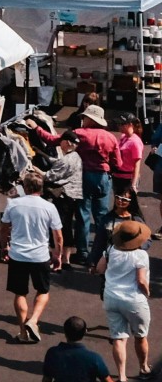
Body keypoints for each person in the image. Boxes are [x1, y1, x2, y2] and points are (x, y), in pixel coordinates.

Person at [3, 172, 64, 344]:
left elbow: (4, 229)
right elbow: (58, 236)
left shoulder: (13, 205)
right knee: (43, 291)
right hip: (40, 256)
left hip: (18, 255)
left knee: (20, 293)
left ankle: (23, 331)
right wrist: (57, 254)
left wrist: (3, 247)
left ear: (26, 187)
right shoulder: (49, 207)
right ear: (41, 188)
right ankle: (34, 319)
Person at [96, 220, 153, 382]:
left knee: (118, 338)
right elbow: (141, 280)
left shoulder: (111, 249)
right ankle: (143, 368)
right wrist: (147, 292)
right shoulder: (141, 255)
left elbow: (100, 269)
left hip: (112, 297)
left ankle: (121, 377)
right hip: (134, 300)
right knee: (140, 336)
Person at [72, 105, 122, 265]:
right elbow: (118, 163)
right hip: (103, 177)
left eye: (84, 117)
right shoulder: (111, 137)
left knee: (82, 215)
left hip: (84, 176)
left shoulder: (78, 134)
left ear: (90, 119)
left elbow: (54, 141)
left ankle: (83, 253)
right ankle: (101, 253)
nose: (82, 120)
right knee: (102, 216)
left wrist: (37, 128)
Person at [43, 316, 118, 382]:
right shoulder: (94, 358)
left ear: (65, 332)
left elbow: (46, 381)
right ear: (84, 332)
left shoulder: (52, 353)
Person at [48, 134, 86, 258]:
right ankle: (66, 259)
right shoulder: (76, 156)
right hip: (73, 196)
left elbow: (49, 176)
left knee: (59, 225)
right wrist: (44, 155)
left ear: (68, 142)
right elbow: (59, 163)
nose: (60, 143)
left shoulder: (66, 160)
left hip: (64, 196)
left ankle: (57, 257)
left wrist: (35, 169)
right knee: (68, 225)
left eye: (62, 141)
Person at [113, 115, 146, 223]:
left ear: (130, 125)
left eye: (122, 124)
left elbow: (137, 164)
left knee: (132, 205)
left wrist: (133, 184)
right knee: (119, 204)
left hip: (127, 178)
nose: (120, 126)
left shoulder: (135, 142)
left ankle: (142, 228)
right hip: (118, 176)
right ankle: (118, 226)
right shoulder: (123, 137)